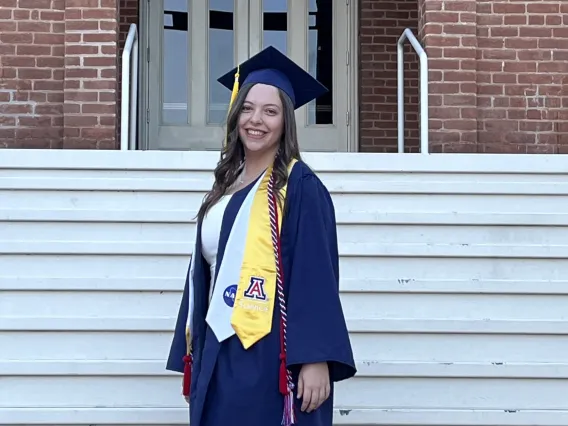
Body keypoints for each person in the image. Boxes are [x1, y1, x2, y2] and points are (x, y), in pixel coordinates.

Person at [166, 46, 356, 426]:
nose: (257, 120)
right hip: (219, 342)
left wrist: (315, 357)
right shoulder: (225, 185)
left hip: (268, 346)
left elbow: (315, 272)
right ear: (236, 115)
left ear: (286, 122)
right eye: (248, 108)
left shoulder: (298, 185)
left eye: (271, 111)